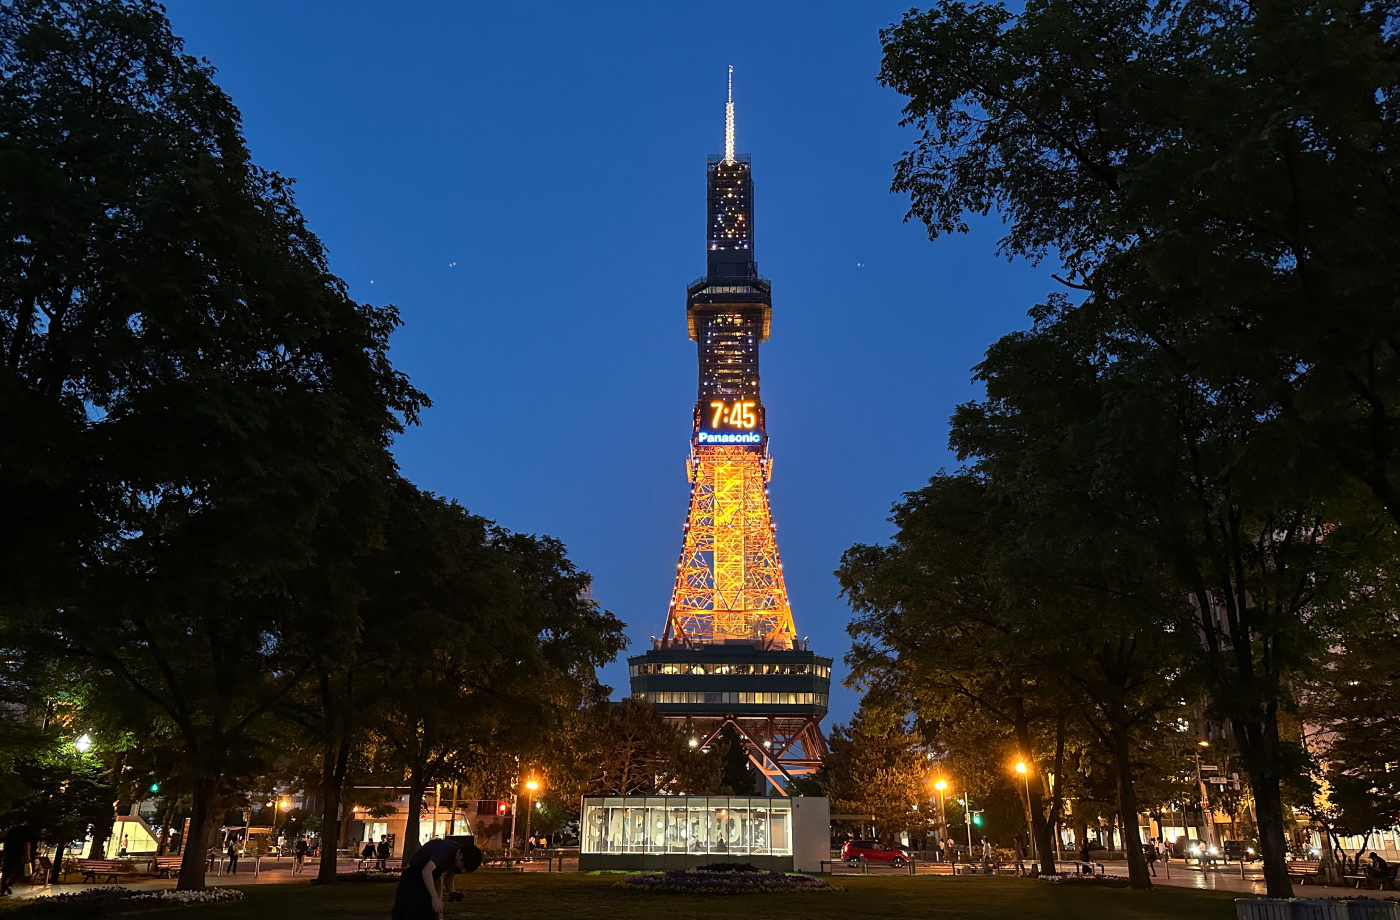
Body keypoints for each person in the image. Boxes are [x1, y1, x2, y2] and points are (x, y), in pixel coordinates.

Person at [390, 838, 482, 920]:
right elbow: (426, 871)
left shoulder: (461, 858)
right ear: (461, 856)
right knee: (407, 910)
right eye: (462, 867)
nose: (462, 870)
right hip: (413, 875)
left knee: (432, 912)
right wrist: (434, 898)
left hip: (433, 875)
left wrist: (452, 892)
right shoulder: (443, 850)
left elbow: (449, 877)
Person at [1, 818, 35, 896]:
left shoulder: (11, 829)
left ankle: (2, 888)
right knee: (19, 871)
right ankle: (8, 884)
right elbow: (27, 844)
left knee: (6, 871)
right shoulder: (25, 830)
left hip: (8, 852)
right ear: (26, 822)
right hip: (19, 853)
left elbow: (6, 841)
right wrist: (27, 856)